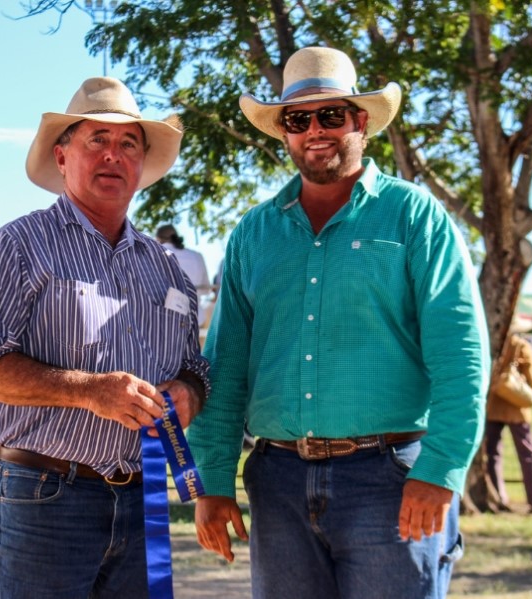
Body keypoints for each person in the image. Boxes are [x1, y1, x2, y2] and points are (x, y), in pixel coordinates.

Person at [187, 46, 490, 599]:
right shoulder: (254, 233)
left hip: (393, 480)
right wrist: (212, 478)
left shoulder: (414, 216)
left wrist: (441, 467)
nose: (315, 130)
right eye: (299, 119)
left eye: (332, 115)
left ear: (362, 121)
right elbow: (225, 365)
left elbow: (461, 353)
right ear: (284, 131)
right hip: (276, 482)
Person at [0, 76, 209, 599]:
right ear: (63, 155)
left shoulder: (169, 270)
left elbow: (195, 368)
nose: (113, 155)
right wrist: (88, 390)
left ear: (140, 165)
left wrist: (188, 393)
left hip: (141, 499)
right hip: (46, 495)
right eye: (97, 140)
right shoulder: (20, 246)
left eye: (128, 144)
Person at [484, 317, 532, 515]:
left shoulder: (490, 346)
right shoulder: (521, 347)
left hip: (493, 406)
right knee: (527, 454)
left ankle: (499, 497)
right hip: (517, 409)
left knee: (492, 454)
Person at [155, 223, 211, 326]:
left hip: (163, 321)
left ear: (157, 238)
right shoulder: (197, 256)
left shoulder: (153, 255)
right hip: (196, 319)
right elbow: (206, 289)